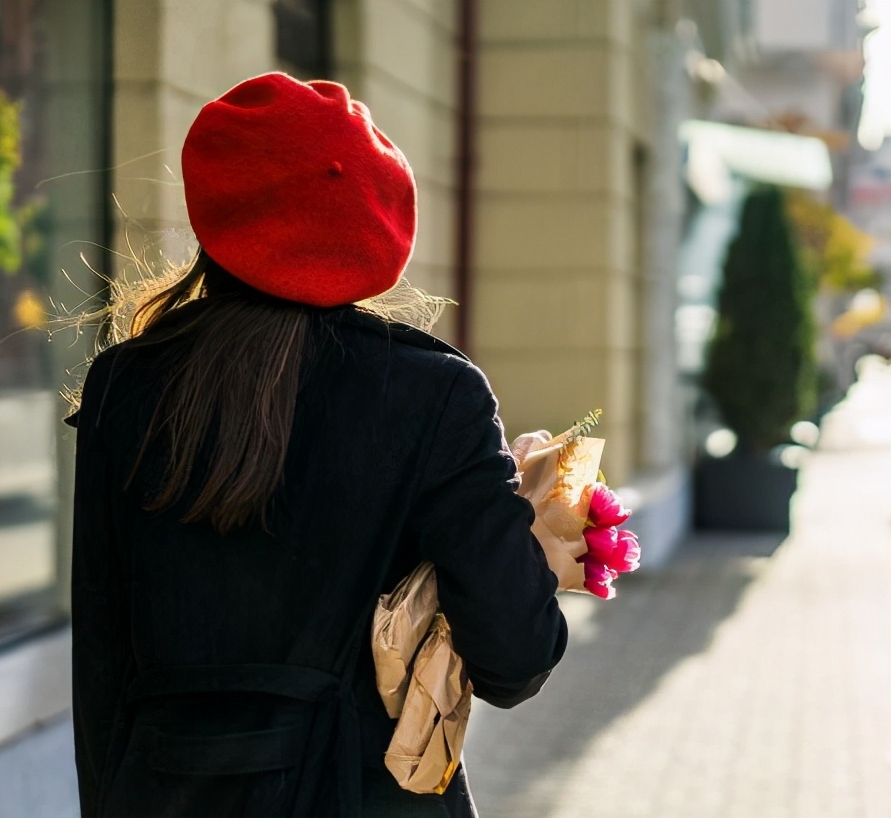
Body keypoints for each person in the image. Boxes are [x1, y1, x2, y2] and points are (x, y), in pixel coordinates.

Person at [68, 72, 568, 818]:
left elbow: (102, 668)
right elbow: (515, 658)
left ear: (220, 211)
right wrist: (523, 527)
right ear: (376, 224)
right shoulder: (435, 395)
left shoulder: (123, 386)